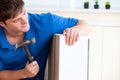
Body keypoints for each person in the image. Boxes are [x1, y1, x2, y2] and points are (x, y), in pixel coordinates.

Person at [0, 0, 91, 80]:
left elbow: (84, 24)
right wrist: (24, 73)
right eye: (16, 20)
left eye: (24, 13)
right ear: (2, 23)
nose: (25, 21)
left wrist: (77, 29)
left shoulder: (45, 23)